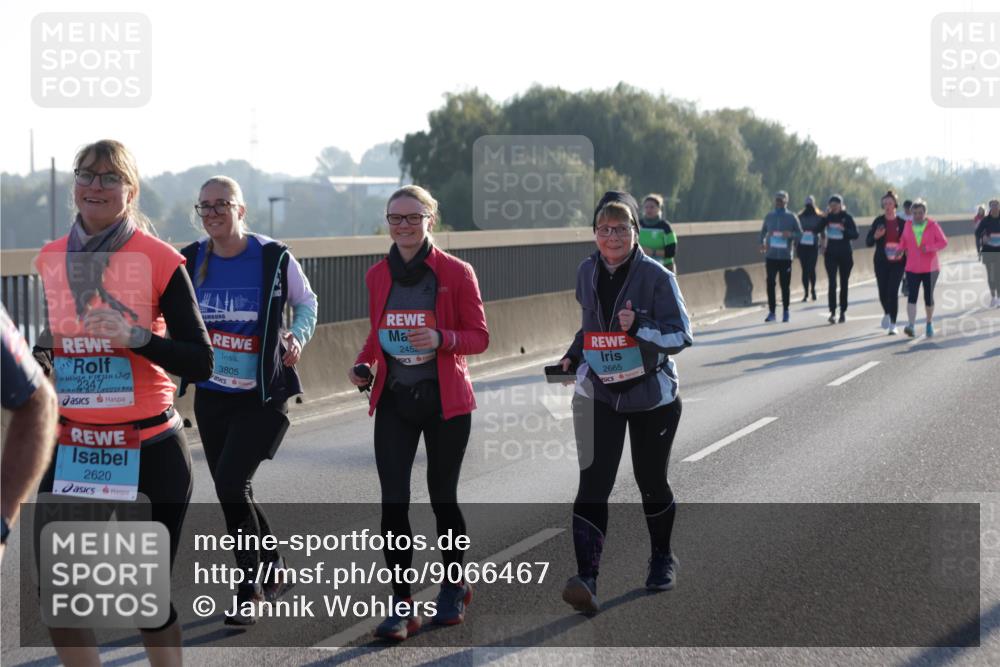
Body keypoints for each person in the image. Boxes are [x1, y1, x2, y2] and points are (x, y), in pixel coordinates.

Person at [31, 139, 213, 665]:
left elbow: (200, 362)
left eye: (110, 178)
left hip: (148, 449)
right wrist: (41, 362)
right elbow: (58, 338)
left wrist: (138, 338)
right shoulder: (50, 257)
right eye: (86, 174)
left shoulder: (158, 259)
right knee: (60, 604)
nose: (95, 185)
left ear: (129, 191)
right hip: (75, 449)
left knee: (144, 600)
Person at [348, 185, 489, 641]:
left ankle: (453, 584)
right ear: (387, 222)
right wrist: (363, 364)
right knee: (393, 502)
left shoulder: (456, 272)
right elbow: (379, 332)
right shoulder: (375, 276)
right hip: (395, 401)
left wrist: (442, 339)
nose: (403, 226)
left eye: (413, 217)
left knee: (442, 498)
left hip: (445, 402)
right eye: (395, 218)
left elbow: (479, 337)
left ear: (431, 219)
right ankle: (402, 603)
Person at [178, 176, 318, 625]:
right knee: (232, 486)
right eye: (205, 207)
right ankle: (272, 565)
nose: (213, 212)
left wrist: (296, 335)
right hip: (213, 395)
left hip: (262, 394)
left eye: (222, 204)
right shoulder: (190, 258)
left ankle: (250, 588)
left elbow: (306, 301)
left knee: (230, 484)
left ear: (241, 209)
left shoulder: (273, 257)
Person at [557, 191, 693, 614]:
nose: (611, 236)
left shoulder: (657, 277)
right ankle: (587, 578)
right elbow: (590, 329)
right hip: (600, 393)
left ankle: (661, 557)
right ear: (594, 233)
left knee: (650, 481)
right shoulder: (586, 271)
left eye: (620, 228)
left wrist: (642, 328)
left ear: (636, 232)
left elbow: (682, 336)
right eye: (604, 229)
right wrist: (571, 356)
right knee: (593, 484)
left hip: (652, 396)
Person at [1, 305, 58, 563]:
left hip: (143, 437)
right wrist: (41, 364)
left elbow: (39, 402)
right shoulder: (68, 308)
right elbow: (44, 349)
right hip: (74, 442)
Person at [898, 199, 949, 337]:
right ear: (911, 213)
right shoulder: (908, 225)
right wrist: (899, 249)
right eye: (915, 213)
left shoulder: (933, 225)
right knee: (912, 296)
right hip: (912, 267)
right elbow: (903, 241)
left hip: (931, 268)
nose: (918, 215)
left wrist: (930, 248)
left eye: (920, 213)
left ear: (925, 213)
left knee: (928, 296)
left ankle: (929, 322)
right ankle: (911, 325)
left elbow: (944, 242)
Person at [866, 190, 908, 335]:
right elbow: (868, 242)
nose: (887, 206)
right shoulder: (878, 221)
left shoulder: (902, 223)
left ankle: (893, 324)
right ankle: (887, 313)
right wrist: (876, 236)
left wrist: (903, 249)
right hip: (881, 262)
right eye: (885, 204)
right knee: (882, 292)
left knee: (892, 291)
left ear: (895, 205)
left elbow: (909, 242)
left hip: (898, 262)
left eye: (890, 203)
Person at [758, 190, 802, 322]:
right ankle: (772, 312)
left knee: (784, 285)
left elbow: (800, 234)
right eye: (777, 200)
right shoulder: (769, 216)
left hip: (785, 257)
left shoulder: (792, 217)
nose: (779, 202)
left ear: (786, 201)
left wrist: (791, 235)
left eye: (781, 200)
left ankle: (786, 311)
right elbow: (762, 232)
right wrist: (762, 243)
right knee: (770, 283)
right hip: (771, 256)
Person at [818, 194, 859, 323]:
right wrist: (823, 218)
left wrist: (844, 230)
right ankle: (832, 312)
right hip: (830, 254)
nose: (834, 208)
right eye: (831, 206)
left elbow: (855, 234)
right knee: (832, 282)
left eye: (836, 205)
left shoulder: (847, 218)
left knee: (844, 283)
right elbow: (817, 229)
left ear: (841, 205)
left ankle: (843, 311)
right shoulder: (828, 218)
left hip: (845, 254)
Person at [638, 193, 678, 272]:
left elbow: (671, 252)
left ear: (659, 208)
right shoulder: (637, 224)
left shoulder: (665, 227)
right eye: (646, 207)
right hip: (642, 266)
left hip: (664, 267)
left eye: (652, 207)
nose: (648, 210)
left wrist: (652, 252)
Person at [974, 198, 1000, 307]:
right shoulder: (985, 220)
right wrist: (982, 237)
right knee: (991, 275)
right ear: (990, 207)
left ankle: (999, 297)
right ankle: (993, 296)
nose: (994, 208)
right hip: (988, 250)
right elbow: (977, 232)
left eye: (996, 205)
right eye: (992, 206)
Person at [797, 195, 823, 302]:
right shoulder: (800, 217)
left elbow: (822, 231)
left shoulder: (818, 217)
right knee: (808, 269)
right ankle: (808, 292)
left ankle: (810, 291)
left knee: (809, 269)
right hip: (805, 246)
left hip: (810, 246)